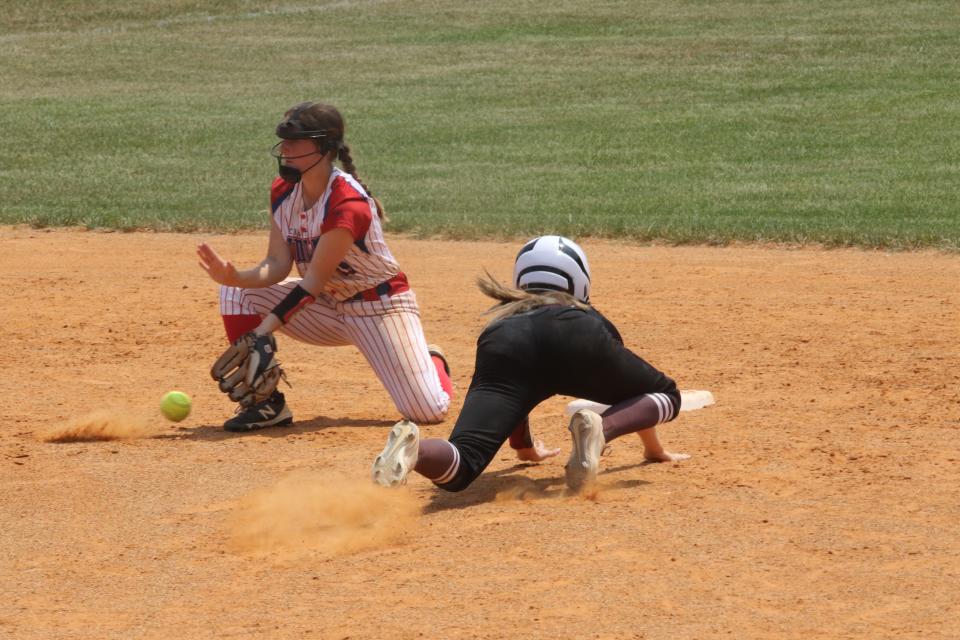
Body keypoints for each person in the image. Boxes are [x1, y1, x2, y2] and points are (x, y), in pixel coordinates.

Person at [197, 101, 453, 431]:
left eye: (294, 142)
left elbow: (312, 281)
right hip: (326, 308)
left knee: (427, 411)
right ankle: (265, 405)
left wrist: (263, 331)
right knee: (235, 292)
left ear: (322, 147)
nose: (284, 149)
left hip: (379, 309)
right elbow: (277, 264)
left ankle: (431, 360)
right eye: (283, 141)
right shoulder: (284, 191)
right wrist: (235, 276)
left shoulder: (346, 203)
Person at [371, 235, 688, 493]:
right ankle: (599, 431)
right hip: (579, 336)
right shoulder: (588, 319)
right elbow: (635, 392)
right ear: (578, 278)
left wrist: (524, 448)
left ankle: (415, 453)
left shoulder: (502, 323)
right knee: (667, 395)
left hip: (506, 341)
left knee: (463, 461)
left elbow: (515, 397)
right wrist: (652, 450)